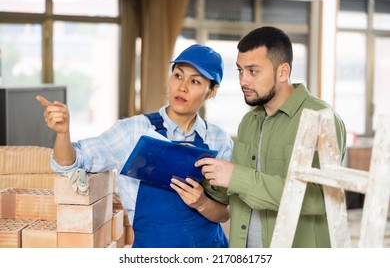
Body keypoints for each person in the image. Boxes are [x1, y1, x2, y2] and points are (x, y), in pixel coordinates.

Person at [36, 44, 233, 248]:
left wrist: (201, 203)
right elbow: (70, 161)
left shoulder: (218, 140)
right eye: (178, 75)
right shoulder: (133, 131)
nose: (182, 87)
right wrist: (62, 133)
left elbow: (223, 213)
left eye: (195, 81)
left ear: (211, 92)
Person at [195, 26, 346, 248]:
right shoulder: (249, 122)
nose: (243, 81)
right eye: (240, 71)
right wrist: (204, 177)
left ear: (283, 72)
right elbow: (237, 191)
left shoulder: (321, 118)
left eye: (253, 71)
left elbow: (319, 199)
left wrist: (236, 177)